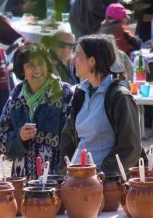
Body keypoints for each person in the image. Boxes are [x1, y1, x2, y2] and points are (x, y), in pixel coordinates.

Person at [59, 35, 142, 173]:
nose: (73, 61)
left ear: (92, 61)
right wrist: (65, 173)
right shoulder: (81, 94)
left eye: (78, 56)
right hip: (78, 178)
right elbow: (68, 136)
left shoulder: (119, 97)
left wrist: (102, 176)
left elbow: (130, 148)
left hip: (104, 181)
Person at [0, 42, 73, 178]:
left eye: (41, 63)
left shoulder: (64, 93)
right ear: (22, 70)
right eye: (30, 65)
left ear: (48, 66)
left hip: (55, 179)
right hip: (22, 182)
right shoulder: (16, 96)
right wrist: (19, 137)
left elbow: (73, 136)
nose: (37, 70)